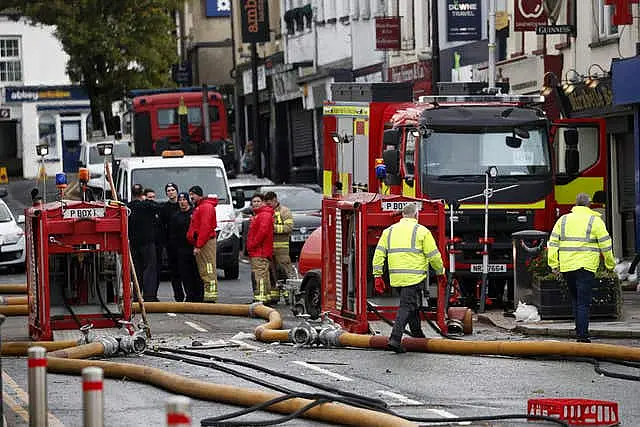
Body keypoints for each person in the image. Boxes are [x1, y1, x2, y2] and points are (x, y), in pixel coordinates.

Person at [372, 203, 446, 353]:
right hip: (414, 277)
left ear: (402, 215)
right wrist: (440, 272)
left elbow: (378, 254)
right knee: (406, 306)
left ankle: (417, 336)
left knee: (412, 305)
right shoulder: (422, 231)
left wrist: (377, 275)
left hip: (396, 278)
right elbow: (434, 256)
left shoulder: (389, 231)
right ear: (416, 215)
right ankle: (395, 338)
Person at [547, 192, 615, 343]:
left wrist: (554, 264)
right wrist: (610, 265)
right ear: (589, 204)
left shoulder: (563, 220)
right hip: (586, 267)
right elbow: (606, 245)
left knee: (576, 299)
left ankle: (579, 330)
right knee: (583, 302)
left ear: (575, 204)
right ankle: (582, 336)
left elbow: (552, 243)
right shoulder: (595, 220)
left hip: (567, 267)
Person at [169, 192, 204, 302]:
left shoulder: (194, 213)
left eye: (184, 200)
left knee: (197, 273)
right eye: (180, 200)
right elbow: (172, 233)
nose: (182, 202)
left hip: (194, 248)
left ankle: (199, 296)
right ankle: (189, 295)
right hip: (181, 249)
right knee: (185, 274)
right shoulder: (176, 216)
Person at [128, 184, 160, 301]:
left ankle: (136, 297)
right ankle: (149, 297)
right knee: (150, 269)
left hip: (133, 243)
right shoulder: (148, 206)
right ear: (142, 194)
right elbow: (159, 209)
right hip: (147, 242)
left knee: (136, 270)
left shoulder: (128, 207)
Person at [186, 185, 219, 302]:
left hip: (205, 243)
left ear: (199, 195)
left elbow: (205, 227)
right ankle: (209, 295)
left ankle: (210, 296)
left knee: (208, 268)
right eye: (190, 195)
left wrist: (198, 245)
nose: (190, 197)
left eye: (192, 194)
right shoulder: (201, 207)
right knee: (205, 268)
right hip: (202, 242)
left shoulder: (206, 207)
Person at [264, 191, 294, 303]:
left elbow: (289, 227)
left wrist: (273, 228)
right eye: (266, 203)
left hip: (282, 249)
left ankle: (289, 296)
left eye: (270, 203)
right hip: (269, 249)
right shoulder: (267, 212)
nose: (268, 205)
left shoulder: (285, 211)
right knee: (272, 273)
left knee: (285, 272)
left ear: (275, 200)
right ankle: (274, 296)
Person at [246, 193, 274, 303]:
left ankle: (260, 299)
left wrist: (252, 245)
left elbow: (262, 232)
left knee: (260, 275)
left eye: (258, 201)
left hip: (259, 251)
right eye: (254, 202)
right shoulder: (260, 215)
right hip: (260, 251)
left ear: (263, 203)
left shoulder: (264, 215)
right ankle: (265, 297)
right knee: (263, 275)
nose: (256, 203)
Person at [160, 183, 183, 301]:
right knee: (174, 272)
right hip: (171, 244)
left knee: (186, 270)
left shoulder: (182, 205)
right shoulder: (164, 208)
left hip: (183, 244)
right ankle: (178, 296)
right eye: (168, 190)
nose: (171, 192)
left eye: (173, 190)